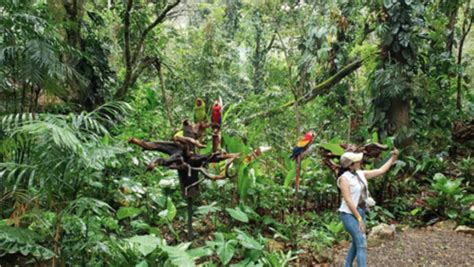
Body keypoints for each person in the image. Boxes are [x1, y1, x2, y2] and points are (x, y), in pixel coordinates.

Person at [337, 149, 399, 267]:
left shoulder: (360, 173)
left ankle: (347, 265)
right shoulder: (344, 179)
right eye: (357, 161)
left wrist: (393, 158)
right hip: (349, 214)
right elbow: (349, 201)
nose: (360, 161)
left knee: (356, 243)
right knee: (361, 244)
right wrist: (359, 218)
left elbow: (380, 170)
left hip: (361, 211)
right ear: (350, 165)